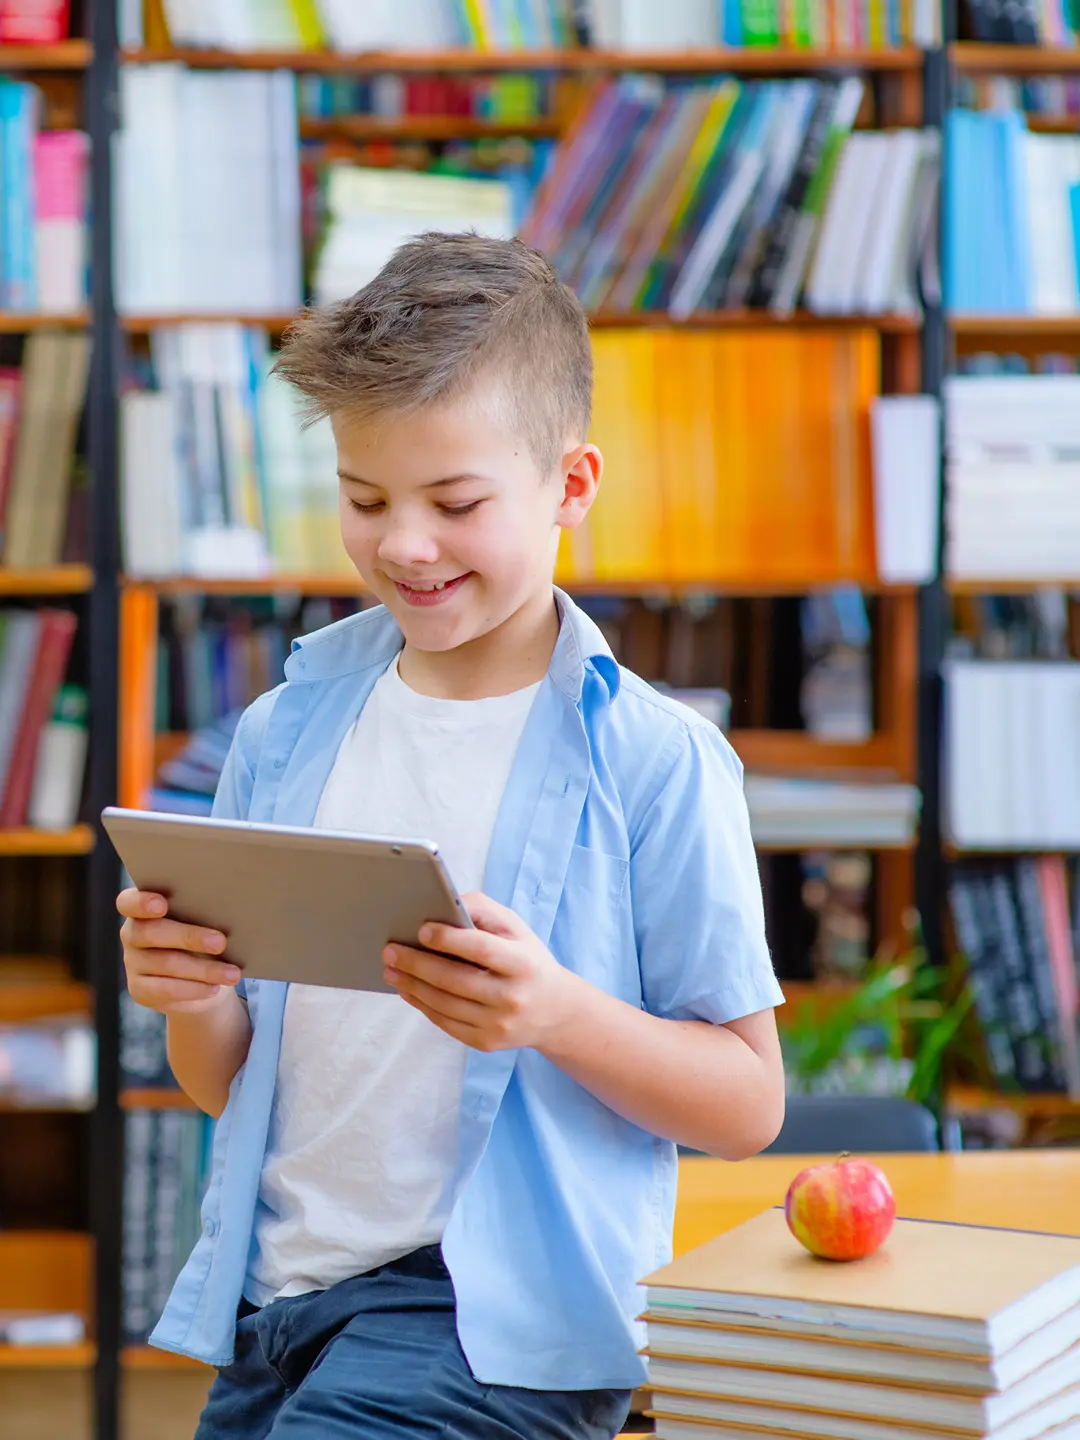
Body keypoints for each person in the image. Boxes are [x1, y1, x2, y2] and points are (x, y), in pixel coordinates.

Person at [116, 233, 786, 1440]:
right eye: (365, 500)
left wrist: (557, 1013)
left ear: (571, 486)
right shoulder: (283, 731)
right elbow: (229, 1084)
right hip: (279, 1306)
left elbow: (746, 1107)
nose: (404, 545)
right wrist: (188, 994)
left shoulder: (652, 757)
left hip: (484, 1328)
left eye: (456, 503)